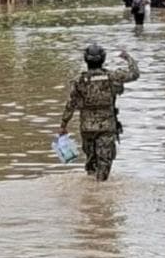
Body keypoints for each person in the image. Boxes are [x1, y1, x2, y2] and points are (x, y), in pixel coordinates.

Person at [59, 45, 140, 182]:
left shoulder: (79, 81)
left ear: (86, 60)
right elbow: (135, 74)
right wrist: (128, 57)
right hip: (106, 128)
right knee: (104, 164)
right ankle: (100, 195)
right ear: (103, 59)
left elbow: (71, 104)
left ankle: (89, 194)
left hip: (87, 129)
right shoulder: (112, 76)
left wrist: (63, 125)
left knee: (91, 164)